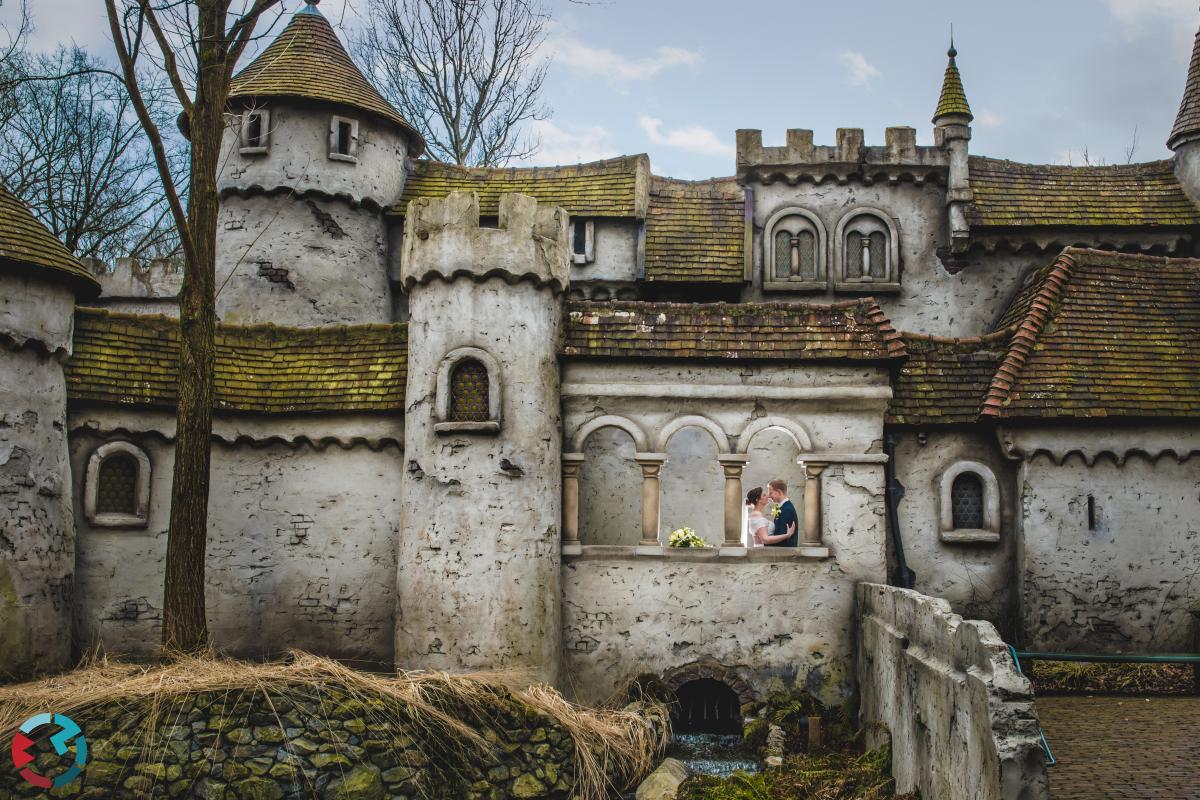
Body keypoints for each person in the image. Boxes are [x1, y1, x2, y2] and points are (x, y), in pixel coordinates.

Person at [762, 478, 799, 547]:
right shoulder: (781, 507)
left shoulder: (787, 510)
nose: (769, 496)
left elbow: (783, 540)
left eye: (771, 493)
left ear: (779, 492)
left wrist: (764, 542)